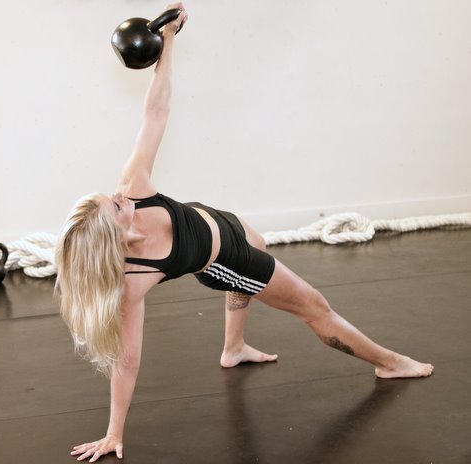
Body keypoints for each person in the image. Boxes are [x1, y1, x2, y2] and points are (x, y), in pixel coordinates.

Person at [55, 4, 434, 462]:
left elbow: (156, 112)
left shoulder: (132, 188)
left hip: (221, 222)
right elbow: (127, 361)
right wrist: (114, 432)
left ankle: (233, 348)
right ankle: (389, 363)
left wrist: (169, 42)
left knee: (261, 241)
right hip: (226, 259)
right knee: (314, 306)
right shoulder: (132, 282)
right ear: (113, 239)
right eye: (113, 206)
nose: (118, 195)